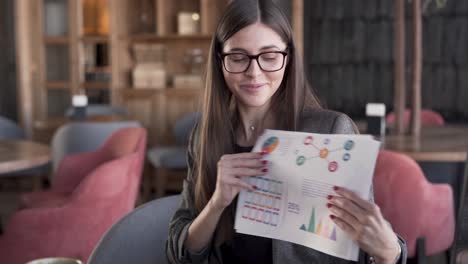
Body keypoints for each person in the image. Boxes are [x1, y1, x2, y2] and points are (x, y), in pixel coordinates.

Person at [166, 0, 407, 263]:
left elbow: (365, 248)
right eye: (238, 58)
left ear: (288, 59)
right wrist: (217, 203)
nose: (254, 72)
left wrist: (391, 253)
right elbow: (181, 254)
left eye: (269, 57)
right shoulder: (205, 136)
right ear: (219, 61)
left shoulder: (332, 132)